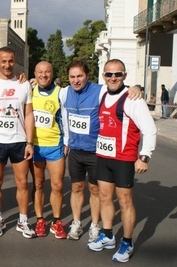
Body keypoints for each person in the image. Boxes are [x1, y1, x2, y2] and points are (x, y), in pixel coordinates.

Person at [62, 60, 142, 243]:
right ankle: (76, 222)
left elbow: (118, 89)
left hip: (95, 150)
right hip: (75, 150)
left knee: (95, 190)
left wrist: (137, 87)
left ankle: (95, 225)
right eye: (72, 77)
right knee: (76, 187)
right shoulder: (64, 92)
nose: (76, 80)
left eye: (80, 76)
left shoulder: (100, 91)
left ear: (87, 76)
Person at [86, 59, 156, 263]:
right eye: (109, 74)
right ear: (103, 76)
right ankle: (107, 235)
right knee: (105, 198)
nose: (113, 78)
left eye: (118, 74)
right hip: (103, 156)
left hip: (124, 159)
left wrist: (144, 156)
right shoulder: (102, 94)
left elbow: (149, 129)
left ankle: (127, 242)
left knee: (124, 201)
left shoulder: (133, 99)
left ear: (125, 75)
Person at [0, 46, 36, 239]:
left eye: (10, 60)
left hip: (19, 141)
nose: (7, 64)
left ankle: (22, 220)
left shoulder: (24, 84)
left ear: (15, 62)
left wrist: (29, 142)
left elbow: (28, 114)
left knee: (22, 183)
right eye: (3, 61)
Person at [30, 61, 67, 239]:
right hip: (35, 146)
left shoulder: (61, 93)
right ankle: (39, 219)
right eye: (40, 72)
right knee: (38, 184)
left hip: (55, 145)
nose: (43, 75)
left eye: (47, 72)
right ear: (35, 74)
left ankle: (56, 221)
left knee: (57, 185)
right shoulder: (29, 91)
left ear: (52, 73)